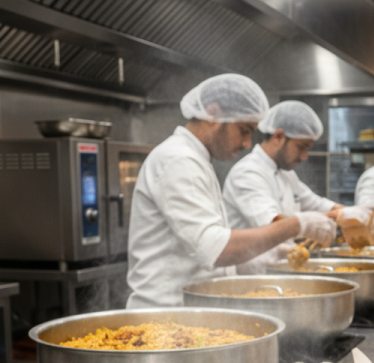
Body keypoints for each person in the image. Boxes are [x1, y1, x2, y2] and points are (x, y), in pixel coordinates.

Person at [126, 75, 337, 308]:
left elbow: (201, 248)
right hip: (165, 320)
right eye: (244, 130)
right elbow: (214, 250)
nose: (248, 143)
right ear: (214, 114)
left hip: (188, 313)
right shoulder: (178, 159)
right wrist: (297, 224)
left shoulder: (196, 159)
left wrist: (260, 256)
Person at [223, 100, 374, 274]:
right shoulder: (248, 173)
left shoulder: (286, 173)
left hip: (283, 269)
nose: (305, 157)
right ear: (278, 137)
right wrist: (329, 219)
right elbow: (274, 224)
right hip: (254, 275)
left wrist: (359, 215)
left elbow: (317, 203)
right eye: (301, 147)